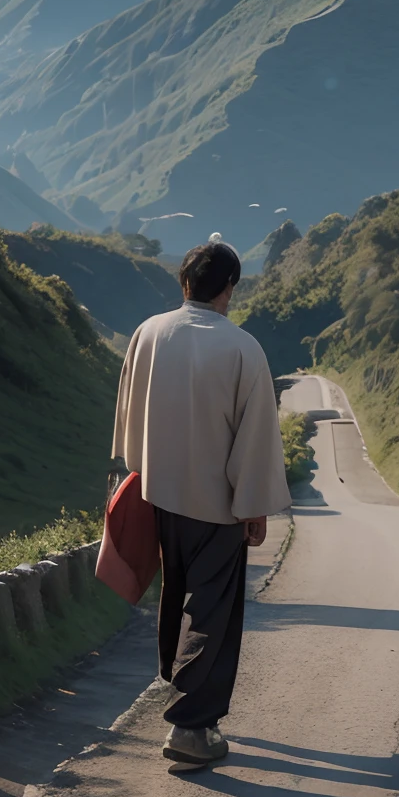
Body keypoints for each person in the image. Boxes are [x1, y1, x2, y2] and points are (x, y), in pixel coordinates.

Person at [111, 238, 291, 769]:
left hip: (161, 494)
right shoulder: (241, 348)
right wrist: (252, 507)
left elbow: (130, 415)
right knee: (211, 610)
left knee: (176, 600)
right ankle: (192, 728)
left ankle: (180, 694)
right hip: (218, 506)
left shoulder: (149, 332)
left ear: (183, 283)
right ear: (229, 287)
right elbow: (255, 437)